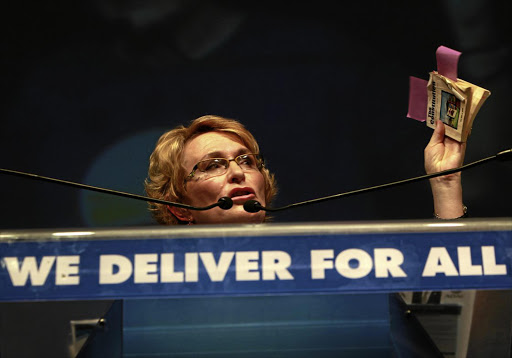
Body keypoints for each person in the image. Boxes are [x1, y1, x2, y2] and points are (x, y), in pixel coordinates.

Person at [145, 115, 466, 225]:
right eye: (213, 165)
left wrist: (446, 182)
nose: (238, 172)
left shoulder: (314, 261)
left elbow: (450, 299)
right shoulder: (151, 287)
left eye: (246, 160)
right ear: (179, 207)